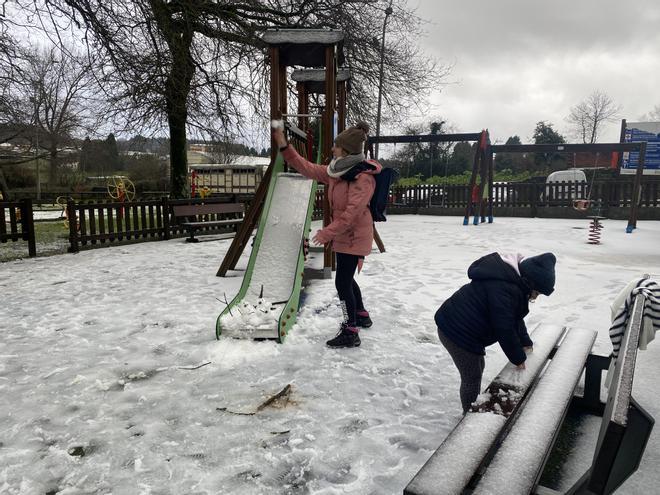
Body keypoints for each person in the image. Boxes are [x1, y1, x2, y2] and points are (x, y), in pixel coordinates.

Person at [272, 122, 382, 348]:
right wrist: (285, 147)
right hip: (344, 235)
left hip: (355, 236)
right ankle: (360, 314)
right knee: (346, 277)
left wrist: (326, 233)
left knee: (342, 282)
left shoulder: (363, 178)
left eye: (336, 146)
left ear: (347, 150)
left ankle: (350, 331)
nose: (332, 149)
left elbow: (351, 215)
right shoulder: (337, 171)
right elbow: (308, 168)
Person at [434, 252, 556, 412]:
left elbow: (515, 318)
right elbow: (504, 328)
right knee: (472, 376)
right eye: (537, 293)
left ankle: (472, 407)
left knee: (477, 366)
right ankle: (468, 420)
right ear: (528, 282)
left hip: (463, 328)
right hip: (456, 331)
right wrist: (517, 357)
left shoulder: (512, 284)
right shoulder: (503, 289)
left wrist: (525, 342)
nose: (535, 297)